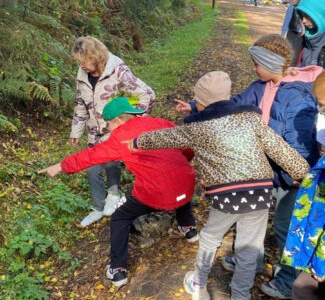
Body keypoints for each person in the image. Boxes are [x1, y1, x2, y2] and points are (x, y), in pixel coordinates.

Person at [126, 71, 310, 300]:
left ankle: (199, 283)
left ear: (200, 102)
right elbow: (278, 147)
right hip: (260, 192)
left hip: (228, 196)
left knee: (210, 238)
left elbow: (166, 137)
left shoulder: (197, 128)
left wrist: (137, 141)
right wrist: (302, 171)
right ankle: (241, 295)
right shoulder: (250, 119)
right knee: (248, 249)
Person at [174, 35, 321, 299]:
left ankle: (286, 281)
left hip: (290, 176)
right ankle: (250, 263)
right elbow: (232, 106)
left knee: (284, 227)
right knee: (254, 221)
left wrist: (295, 174)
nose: (253, 68)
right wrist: (198, 105)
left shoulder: (297, 96)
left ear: (270, 64)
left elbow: (301, 141)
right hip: (262, 171)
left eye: (256, 64)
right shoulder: (260, 86)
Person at [39, 97, 197, 287]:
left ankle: (117, 270)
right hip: (187, 182)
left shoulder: (121, 138)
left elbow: (90, 156)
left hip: (158, 192)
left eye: (108, 124)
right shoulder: (158, 122)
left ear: (117, 121)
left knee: (120, 217)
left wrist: (60, 166)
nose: (108, 128)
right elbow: (186, 143)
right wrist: (184, 162)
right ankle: (189, 229)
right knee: (177, 184)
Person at [70, 36, 155, 227]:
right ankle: (98, 207)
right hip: (94, 129)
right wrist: (76, 131)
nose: (82, 65)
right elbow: (80, 103)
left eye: (85, 61)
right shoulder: (82, 74)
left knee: (111, 160)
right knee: (92, 168)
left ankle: (114, 194)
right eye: (79, 62)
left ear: (96, 56)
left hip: (113, 127)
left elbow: (147, 94)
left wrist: (132, 120)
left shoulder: (117, 70)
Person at [282, 65, 325, 300]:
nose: (321, 112)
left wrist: (321, 262)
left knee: (302, 290)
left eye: (323, 105)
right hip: (318, 242)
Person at [296, 0, 325, 68]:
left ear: (320, 15)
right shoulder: (305, 39)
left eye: (307, 16)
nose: (303, 21)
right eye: (302, 16)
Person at [281, 0, 309, 65]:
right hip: (293, 33)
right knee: (290, 55)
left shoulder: (310, 9)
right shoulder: (292, 7)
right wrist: (282, 36)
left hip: (304, 36)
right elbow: (286, 22)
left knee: (299, 58)